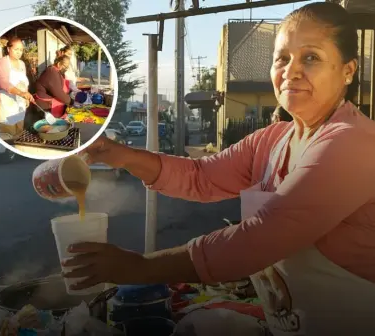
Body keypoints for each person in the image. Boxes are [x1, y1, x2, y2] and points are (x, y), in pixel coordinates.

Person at [62, 3, 375, 335]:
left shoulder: (354, 144)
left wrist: (138, 267)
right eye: (282, 58)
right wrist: (118, 154)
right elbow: (200, 177)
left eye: (310, 57)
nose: (291, 71)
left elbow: (258, 239)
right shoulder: (273, 140)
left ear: (347, 70)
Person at [0, 36, 34, 136]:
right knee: (8, 133)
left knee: (19, 130)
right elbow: (3, 83)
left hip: (19, 103)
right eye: (16, 49)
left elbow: (24, 82)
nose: (19, 52)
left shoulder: (22, 64)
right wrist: (21, 93)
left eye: (21, 50)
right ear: (8, 49)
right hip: (6, 102)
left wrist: (26, 95)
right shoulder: (2, 62)